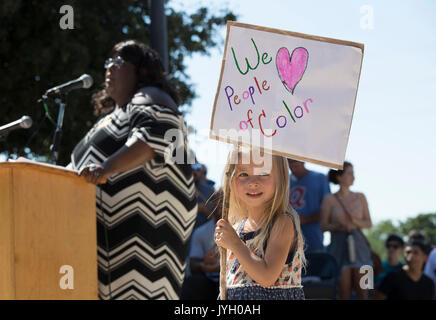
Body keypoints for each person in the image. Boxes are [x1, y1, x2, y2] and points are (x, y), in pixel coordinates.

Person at [69, 40, 197, 300]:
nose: (109, 68)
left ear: (142, 70)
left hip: (143, 246)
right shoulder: (110, 118)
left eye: (118, 62)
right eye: (107, 62)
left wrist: (106, 168)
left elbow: (158, 135)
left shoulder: (151, 96)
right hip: (104, 246)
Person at [214, 147, 306, 300]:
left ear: (281, 178)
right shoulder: (236, 229)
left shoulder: (282, 222)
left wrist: (236, 244)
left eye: (263, 173)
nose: (253, 182)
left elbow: (266, 277)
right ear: (231, 179)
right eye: (243, 174)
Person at [320, 161, 373, 300]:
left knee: (363, 292)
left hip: (360, 247)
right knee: (343, 292)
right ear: (339, 176)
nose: (353, 177)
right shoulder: (329, 199)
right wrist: (338, 226)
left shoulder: (360, 196)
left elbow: (369, 223)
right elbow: (323, 226)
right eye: (349, 173)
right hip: (339, 246)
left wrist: (354, 222)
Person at [180, 189, 223, 300]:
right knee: (191, 284)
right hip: (210, 282)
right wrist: (204, 264)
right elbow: (194, 264)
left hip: (233, 280)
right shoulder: (201, 232)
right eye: (216, 201)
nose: (220, 204)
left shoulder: (243, 227)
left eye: (224, 200)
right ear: (211, 203)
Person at [288, 159, 330, 253]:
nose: (293, 167)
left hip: (313, 240)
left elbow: (327, 210)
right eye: (289, 162)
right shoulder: (284, 181)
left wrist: (304, 219)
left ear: (303, 160)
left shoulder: (319, 178)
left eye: (295, 163)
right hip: (289, 243)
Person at [192, 163, 215, 229]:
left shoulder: (210, 190)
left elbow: (216, 217)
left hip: (205, 232)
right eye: (192, 167)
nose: (195, 170)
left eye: (197, 167)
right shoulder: (179, 189)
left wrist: (204, 210)